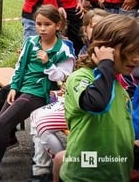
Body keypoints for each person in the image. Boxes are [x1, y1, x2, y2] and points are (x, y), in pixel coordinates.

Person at [0, 5, 75, 182]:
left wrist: (48, 63)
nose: (42, 28)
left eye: (47, 24)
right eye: (38, 24)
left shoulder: (63, 49)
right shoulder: (31, 42)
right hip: (22, 89)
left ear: (58, 25)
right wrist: (13, 87)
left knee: (2, 123)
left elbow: (64, 77)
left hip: (39, 94)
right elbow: (20, 67)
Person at [27, 9, 109, 182]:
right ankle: (42, 168)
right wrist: (68, 85)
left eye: (104, 26)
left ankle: (64, 165)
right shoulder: (86, 49)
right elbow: (72, 78)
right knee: (36, 116)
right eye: (94, 26)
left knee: (41, 123)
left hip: (89, 106)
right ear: (85, 29)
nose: (99, 30)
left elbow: (95, 86)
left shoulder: (107, 53)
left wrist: (69, 82)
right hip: (76, 99)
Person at [58, 14, 139, 181]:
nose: (136, 58)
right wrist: (106, 64)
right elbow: (97, 103)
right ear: (104, 49)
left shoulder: (118, 88)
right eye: (130, 51)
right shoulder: (81, 77)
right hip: (84, 176)